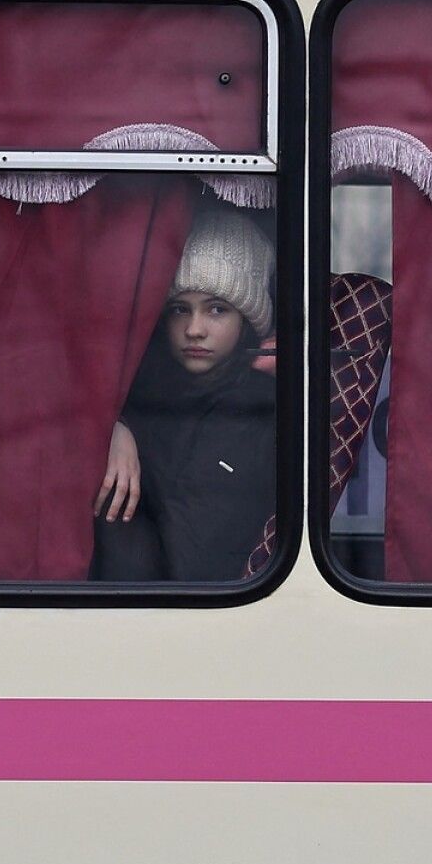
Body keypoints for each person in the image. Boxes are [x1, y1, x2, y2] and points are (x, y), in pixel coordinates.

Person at [92, 203, 276, 582]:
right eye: (179, 309)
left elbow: (195, 549)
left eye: (217, 310)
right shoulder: (134, 391)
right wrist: (114, 426)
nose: (194, 329)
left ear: (247, 320)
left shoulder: (262, 410)